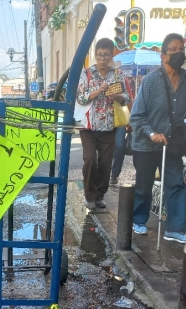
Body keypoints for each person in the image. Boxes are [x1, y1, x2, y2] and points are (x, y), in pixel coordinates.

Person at [129, 33, 186, 244]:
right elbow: (136, 115)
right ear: (163, 56)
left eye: (181, 49)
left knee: (175, 184)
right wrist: (151, 133)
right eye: (173, 50)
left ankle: (175, 228)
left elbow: (181, 111)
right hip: (146, 144)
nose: (178, 53)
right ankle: (138, 219)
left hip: (171, 143)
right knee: (144, 186)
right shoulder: (150, 81)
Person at [76, 38, 129, 209]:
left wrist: (117, 96)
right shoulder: (87, 73)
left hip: (109, 126)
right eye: (99, 55)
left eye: (106, 55)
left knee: (105, 163)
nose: (103, 59)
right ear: (95, 55)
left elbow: (127, 97)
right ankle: (89, 195)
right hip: (89, 126)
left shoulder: (118, 74)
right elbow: (81, 97)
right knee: (90, 160)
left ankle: (100, 195)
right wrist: (99, 90)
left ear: (111, 56)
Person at [110, 77, 136, 186]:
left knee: (120, 146)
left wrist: (130, 119)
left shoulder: (120, 79)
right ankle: (102, 173)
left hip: (119, 119)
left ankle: (115, 174)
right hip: (102, 120)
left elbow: (128, 99)